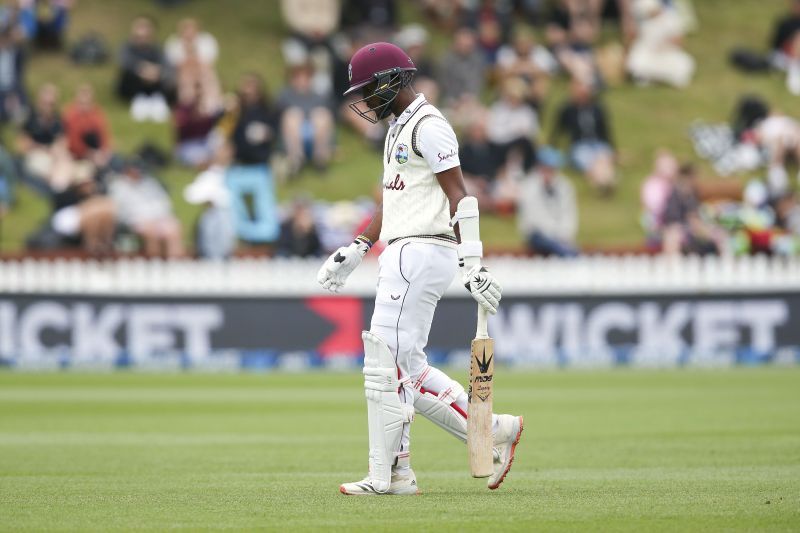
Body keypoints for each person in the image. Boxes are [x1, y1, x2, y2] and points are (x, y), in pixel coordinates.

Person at [316, 42, 522, 495]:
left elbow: (461, 196)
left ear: (391, 81)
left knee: (384, 366)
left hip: (422, 251)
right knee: (406, 366)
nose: (366, 100)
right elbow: (393, 199)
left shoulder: (430, 126)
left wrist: (473, 262)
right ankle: (489, 433)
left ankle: (384, 475)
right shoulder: (397, 127)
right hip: (402, 249)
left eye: (369, 89)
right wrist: (357, 246)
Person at [108, 158, 184, 259]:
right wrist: (143, 220)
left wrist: (159, 219)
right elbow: (120, 211)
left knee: (173, 228)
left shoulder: (150, 183)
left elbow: (163, 203)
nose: (137, 172)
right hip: (134, 221)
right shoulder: (119, 186)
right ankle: (154, 263)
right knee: (151, 231)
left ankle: (175, 264)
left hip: (158, 219)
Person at [551, 80, 616, 192]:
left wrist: (613, 148)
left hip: (598, 143)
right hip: (579, 145)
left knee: (602, 157)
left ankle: (601, 181)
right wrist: (552, 147)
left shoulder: (597, 108)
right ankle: (605, 181)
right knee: (590, 161)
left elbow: (605, 130)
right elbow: (558, 130)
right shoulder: (567, 109)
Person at [517, 147, 579, 257]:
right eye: (545, 169)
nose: (548, 173)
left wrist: (564, 234)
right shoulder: (529, 186)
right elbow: (534, 219)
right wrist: (555, 236)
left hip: (560, 236)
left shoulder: (565, 186)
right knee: (561, 250)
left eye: (551, 169)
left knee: (569, 250)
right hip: (537, 235)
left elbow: (569, 214)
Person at [276, 63, 334, 175]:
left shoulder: (319, 97)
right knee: (293, 114)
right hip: (292, 137)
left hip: (315, 135)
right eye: (298, 78)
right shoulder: (284, 96)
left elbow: (329, 120)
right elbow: (276, 118)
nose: (302, 81)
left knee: (321, 114)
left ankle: (320, 159)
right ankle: (296, 160)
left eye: (305, 78)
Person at [17, 83, 75, 192]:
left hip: (53, 153)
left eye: (51, 104)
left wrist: (57, 150)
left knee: (65, 160)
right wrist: (41, 148)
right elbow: (22, 145)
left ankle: (61, 187)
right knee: (44, 165)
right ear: (39, 101)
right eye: (45, 103)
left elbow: (62, 140)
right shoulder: (30, 118)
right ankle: (58, 189)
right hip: (36, 154)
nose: (48, 107)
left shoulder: (57, 119)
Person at [116, 15, 174, 122]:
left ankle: (157, 100)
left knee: (168, 78)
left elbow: (167, 65)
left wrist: (156, 71)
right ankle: (139, 99)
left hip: (155, 83)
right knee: (128, 75)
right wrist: (142, 69)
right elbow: (125, 62)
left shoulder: (157, 48)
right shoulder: (127, 47)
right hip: (135, 84)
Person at [626, 0, 695, 88]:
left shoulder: (670, 18)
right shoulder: (643, 22)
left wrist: (665, 45)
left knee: (682, 63)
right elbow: (636, 39)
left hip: (666, 53)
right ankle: (647, 78)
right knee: (637, 61)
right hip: (648, 53)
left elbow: (678, 41)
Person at [62, 84, 113, 169]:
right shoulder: (70, 115)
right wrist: (90, 154)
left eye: (87, 102)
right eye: (81, 103)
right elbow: (73, 142)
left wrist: (105, 151)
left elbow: (104, 135)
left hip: (97, 152)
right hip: (78, 156)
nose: (84, 106)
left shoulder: (97, 113)